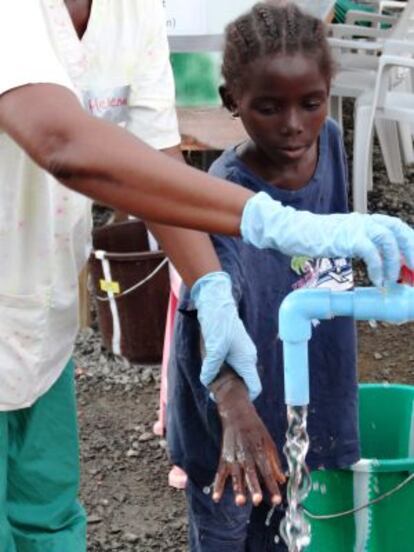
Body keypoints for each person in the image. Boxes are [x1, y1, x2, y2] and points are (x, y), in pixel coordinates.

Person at [0, 1, 413, 551]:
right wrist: (268, 218)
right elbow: (62, 143)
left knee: (46, 521)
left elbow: (159, 167)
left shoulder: (133, 10)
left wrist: (211, 288)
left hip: (35, 318)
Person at [166, 2, 405, 550]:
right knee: (230, 530)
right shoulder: (225, 194)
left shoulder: (331, 146)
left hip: (303, 384)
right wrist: (234, 407)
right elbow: (208, 307)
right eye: (269, 107)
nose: (294, 125)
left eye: (311, 104)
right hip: (234, 414)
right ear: (232, 101)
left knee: (291, 528)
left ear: (328, 94)